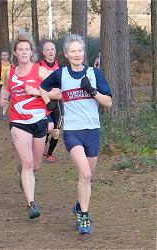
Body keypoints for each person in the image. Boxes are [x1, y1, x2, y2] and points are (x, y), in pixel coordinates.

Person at [40, 34, 112, 234]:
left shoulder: (95, 73)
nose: (77, 54)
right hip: (73, 132)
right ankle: (84, 218)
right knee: (85, 173)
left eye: (79, 50)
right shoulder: (60, 74)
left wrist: (93, 92)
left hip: (93, 131)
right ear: (66, 54)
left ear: (84, 52)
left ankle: (79, 206)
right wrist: (48, 102)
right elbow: (42, 87)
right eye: (72, 51)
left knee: (87, 177)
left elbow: (108, 103)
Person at [0, 31, 61, 219]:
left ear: (31, 51)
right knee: (28, 163)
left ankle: (24, 173)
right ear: (15, 53)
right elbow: (5, 88)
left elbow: (58, 93)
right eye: (20, 49)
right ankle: (31, 203)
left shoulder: (40, 71)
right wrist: (3, 98)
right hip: (19, 122)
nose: (24, 52)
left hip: (39, 121)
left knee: (35, 166)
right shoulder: (10, 72)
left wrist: (36, 92)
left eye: (27, 49)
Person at [39, 41, 63, 163]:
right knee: (48, 128)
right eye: (47, 50)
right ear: (44, 52)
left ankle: (49, 154)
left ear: (55, 51)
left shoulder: (61, 66)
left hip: (58, 102)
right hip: (43, 101)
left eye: (52, 49)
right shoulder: (39, 66)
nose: (50, 52)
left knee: (56, 131)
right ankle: (43, 141)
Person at [0, 51, 13, 120]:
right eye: (2, 55)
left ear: (8, 56)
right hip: (0, 83)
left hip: (8, 84)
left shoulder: (11, 64)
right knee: (1, 99)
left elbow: (14, 72)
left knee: (6, 99)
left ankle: (3, 114)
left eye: (5, 55)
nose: (4, 56)